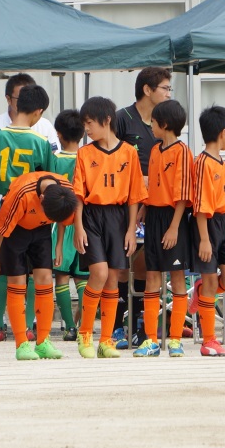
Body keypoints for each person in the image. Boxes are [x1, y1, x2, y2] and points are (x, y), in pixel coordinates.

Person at [0, 73, 58, 340]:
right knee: (43, 276)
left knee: (14, 278)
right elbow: (49, 180)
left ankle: (19, 339)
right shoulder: (41, 142)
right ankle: (42, 338)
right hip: (35, 213)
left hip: (6, 207)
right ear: (38, 112)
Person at [72, 96, 147, 358]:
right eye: (84, 124)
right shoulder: (84, 153)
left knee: (114, 277)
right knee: (99, 273)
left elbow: (135, 196)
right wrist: (78, 227)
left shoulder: (128, 152)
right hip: (92, 216)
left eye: (90, 123)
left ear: (106, 120)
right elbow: (78, 195)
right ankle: (84, 334)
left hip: (118, 217)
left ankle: (106, 340)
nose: (87, 129)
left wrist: (130, 230)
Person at [0, 169, 79, 360]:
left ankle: (43, 341)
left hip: (42, 230)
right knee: (17, 281)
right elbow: (0, 229)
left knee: (45, 278)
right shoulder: (21, 194)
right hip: (15, 230)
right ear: (41, 198)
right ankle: (21, 344)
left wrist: (59, 245)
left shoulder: (65, 191)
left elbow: (62, 217)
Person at [113, 66, 173, 348]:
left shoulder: (165, 123)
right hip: (124, 205)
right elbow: (109, 159)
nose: (169, 94)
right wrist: (137, 180)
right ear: (147, 90)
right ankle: (116, 325)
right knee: (120, 266)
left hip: (156, 207)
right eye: (165, 88)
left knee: (146, 265)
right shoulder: (121, 119)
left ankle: (138, 323)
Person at [134, 99, 193, 358]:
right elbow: (154, 184)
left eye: (154, 122)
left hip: (173, 218)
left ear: (165, 124)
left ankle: (176, 339)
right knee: (152, 276)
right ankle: (151, 339)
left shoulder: (183, 152)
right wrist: (145, 207)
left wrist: (174, 228)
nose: (151, 126)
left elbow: (182, 194)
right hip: (154, 217)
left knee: (177, 278)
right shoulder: (155, 150)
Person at [192, 105, 225, 357]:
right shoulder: (202, 162)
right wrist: (204, 239)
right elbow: (201, 206)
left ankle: (201, 291)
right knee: (211, 280)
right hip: (208, 225)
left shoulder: (221, 162)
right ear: (224, 132)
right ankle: (209, 340)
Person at [50, 110, 86, 341]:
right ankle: (83, 325)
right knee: (83, 278)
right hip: (84, 223)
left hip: (60, 223)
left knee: (61, 275)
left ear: (59, 134)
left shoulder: (54, 160)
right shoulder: (87, 158)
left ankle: (69, 328)